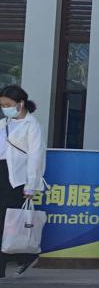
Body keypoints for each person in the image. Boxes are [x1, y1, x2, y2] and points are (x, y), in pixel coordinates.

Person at [0, 86, 46, 276]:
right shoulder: (3, 123)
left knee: (7, 222)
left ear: (20, 103)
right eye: (2, 105)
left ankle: (11, 262)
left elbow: (36, 156)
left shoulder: (32, 125)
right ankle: (24, 257)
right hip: (2, 170)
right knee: (6, 222)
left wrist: (31, 185)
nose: (5, 108)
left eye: (8, 104)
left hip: (16, 178)